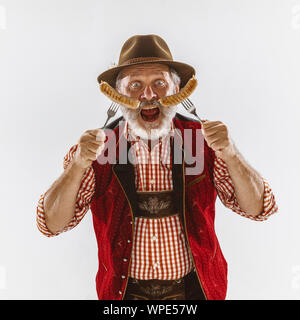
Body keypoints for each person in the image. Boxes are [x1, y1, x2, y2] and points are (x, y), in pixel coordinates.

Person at [36, 34, 278, 300]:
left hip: (195, 294)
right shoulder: (98, 149)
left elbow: (259, 208)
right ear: (118, 95)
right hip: (124, 297)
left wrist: (231, 153)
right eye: (135, 84)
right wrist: (78, 165)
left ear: (177, 90)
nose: (148, 95)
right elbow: (50, 224)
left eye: (159, 83)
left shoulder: (202, 140)